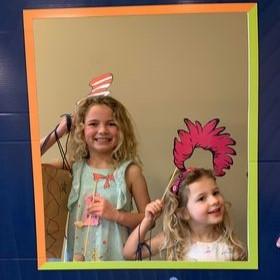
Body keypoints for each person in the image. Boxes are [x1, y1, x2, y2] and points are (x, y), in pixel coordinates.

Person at [41, 95, 150, 261]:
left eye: (111, 124)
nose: (102, 130)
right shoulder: (74, 167)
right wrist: (61, 130)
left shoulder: (130, 172)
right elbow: (27, 158)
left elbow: (149, 218)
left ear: (122, 130)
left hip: (116, 267)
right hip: (78, 267)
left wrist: (116, 215)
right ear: (81, 130)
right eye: (93, 124)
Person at [123, 168, 247, 261]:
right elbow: (130, 253)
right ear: (183, 213)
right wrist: (147, 220)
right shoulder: (174, 239)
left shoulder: (231, 246)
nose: (214, 201)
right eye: (202, 198)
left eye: (215, 193)